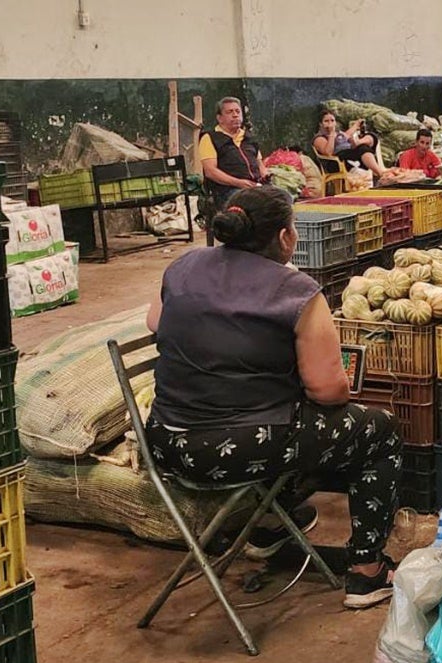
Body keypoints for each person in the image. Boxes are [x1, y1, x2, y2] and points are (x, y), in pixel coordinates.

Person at [143, 186, 402, 610]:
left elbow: (155, 321)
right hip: (240, 450)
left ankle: (266, 526)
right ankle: (366, 572)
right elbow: (329, 390)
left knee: (283, 417)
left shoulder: (185, 264)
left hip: (170, 443)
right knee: (377, 431)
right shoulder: (295, 290)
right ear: (284, 238)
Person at [197, 97, 264, 211]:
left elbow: (260, 165)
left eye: (238, 111)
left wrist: (267, 179)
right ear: (220, 118)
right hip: (226, 190)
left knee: (282, 198)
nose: (235, 115)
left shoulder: (249, 138)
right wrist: (239, 183)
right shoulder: (209, 138)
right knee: (251, 203)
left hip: (254, 187)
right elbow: (210, 172)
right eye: (230, 112)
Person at [312, 108, 392, 183]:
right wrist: (331, 134)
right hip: (337, 161)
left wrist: (356, 126)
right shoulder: (319, 138)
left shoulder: (338, 134)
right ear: (320, 124)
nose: (330, 123)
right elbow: (328, 153)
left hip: (350, 154)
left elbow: (346, 135)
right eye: (326, 121)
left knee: (370, 137)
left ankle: (359, 142)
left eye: (332, 121)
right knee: (362, 149)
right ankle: (380, 173)